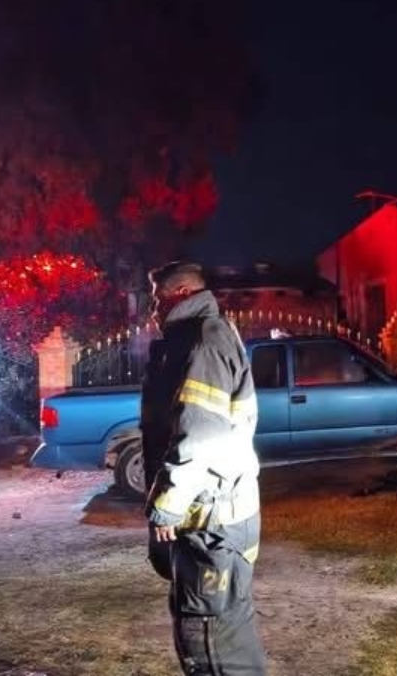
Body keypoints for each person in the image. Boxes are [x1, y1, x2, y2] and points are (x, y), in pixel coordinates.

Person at [140, 262, 267, 675]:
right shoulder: (205, 336)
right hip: (216, 520)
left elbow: (201, 435)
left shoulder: (203, 343)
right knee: (219, 630)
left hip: (213, 525)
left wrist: (168, 503)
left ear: (180, 294)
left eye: (157, 300)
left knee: (213, 641)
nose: (152, 312)